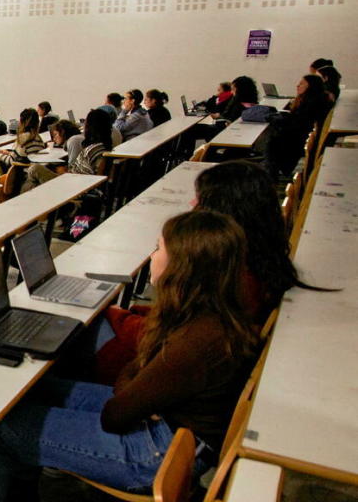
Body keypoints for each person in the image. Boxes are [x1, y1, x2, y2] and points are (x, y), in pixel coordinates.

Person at [0, 210, 259, 502]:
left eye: (159, 249)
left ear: (184, 268)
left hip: (157, 452)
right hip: (168, 430)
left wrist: (133, 375)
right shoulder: (208, 317)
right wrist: (137, 376)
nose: (152, 255)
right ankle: (19, 495)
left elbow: (115, 413)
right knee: (29, 392)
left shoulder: (196, 343)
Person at [88, 160, 314, 384]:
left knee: (80, 335)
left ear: (223, 207)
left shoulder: (230, 277)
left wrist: (115, 315)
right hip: (171, 357)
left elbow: (172, 338)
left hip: (158, 366)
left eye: (200, 198)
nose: (192, 202)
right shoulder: (257, 260)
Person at [21, 108, 113, 192]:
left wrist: (61, 171)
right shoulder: (102, 147)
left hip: (71, 186)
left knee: (34, 169)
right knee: (33, 182)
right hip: (76, 183)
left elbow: (75, 173)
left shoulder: (90, 149)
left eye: (86, 123)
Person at [265, 74, 332, 182]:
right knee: (273, 135)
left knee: (272, 141)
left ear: (310, 87)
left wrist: (278, 120)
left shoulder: (311, 104)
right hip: (300, 136)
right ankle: (272, 173)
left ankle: (271, 176)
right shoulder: (316, 100)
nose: (297, 86)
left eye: (301, 84)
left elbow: (297, 124)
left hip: (297, 140)